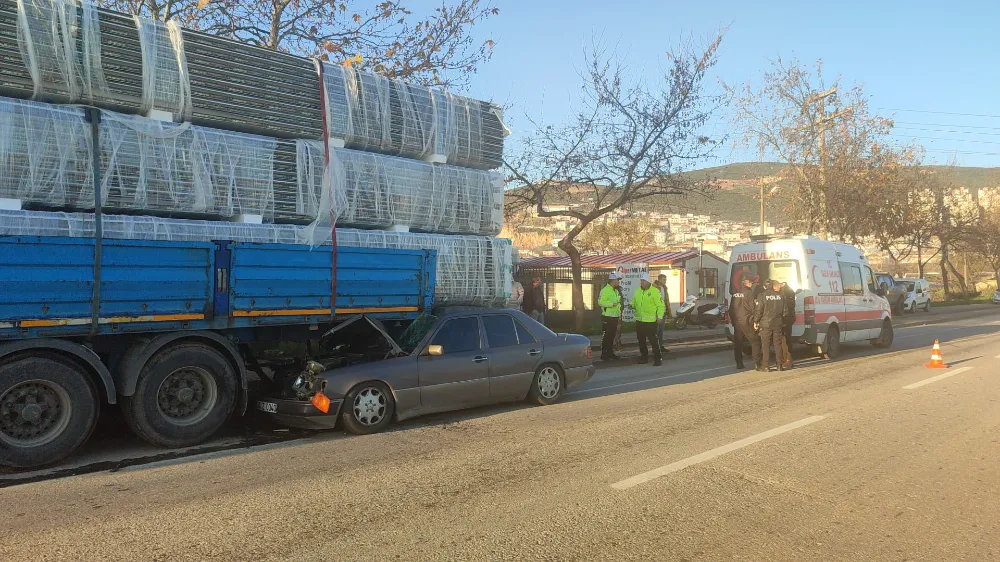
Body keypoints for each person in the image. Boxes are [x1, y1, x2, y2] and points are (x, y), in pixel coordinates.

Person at [753, 279, 787, 372]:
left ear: (764, 287)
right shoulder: (781, 296)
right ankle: (779, 365)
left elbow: (759, 310)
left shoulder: (762, 296)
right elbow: (785, 312)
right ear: (772, 286)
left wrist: (756, 321)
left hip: (765, 324)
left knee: (765, 345)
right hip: (778, 323)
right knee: (778, 344)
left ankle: (766, 366)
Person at [631, 273, 665, 366]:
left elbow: (660, 305)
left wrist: (660, 316)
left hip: (650, 322)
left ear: (648, 282)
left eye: (643, 281)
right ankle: (644, 357)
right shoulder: (637, 291)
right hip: (640, 321)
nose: (642, 282)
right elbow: (634, 301)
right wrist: (631, 305)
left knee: (653, 341)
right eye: (641, 281)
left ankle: (658, 358)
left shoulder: (655, 291)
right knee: (641, 340)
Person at [729, 273, 761, 370]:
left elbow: (731, 309)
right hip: (747, 321)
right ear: (747, 283)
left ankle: (739, 363)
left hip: (737, 322)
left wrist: (734, 321)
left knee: (738, 343)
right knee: (755, 342)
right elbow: (753, 308)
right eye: (751, 283)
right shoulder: (749, 293)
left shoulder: (735, 293)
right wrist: (756, 321)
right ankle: (757, 364)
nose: (752, 284)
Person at [598, 273, 623, 360]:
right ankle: (604, 354)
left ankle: (610, 352)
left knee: (612, 335)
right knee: (607, 336)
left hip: (614, 317)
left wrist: (619, 315)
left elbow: (618, 304)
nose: (618, 282)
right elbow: (600, 302)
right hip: (607, 317)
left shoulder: (615, 291)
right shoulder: (605, 290)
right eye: (617, 280)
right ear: (613, 281)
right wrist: (611, 304)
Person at [653, 274, 672, 354]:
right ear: (659, 280)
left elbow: (666, 300)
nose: (665, 281)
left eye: (665, 279)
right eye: (664, 280)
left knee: (661, 331)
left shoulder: (664, 288)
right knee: (656, 331)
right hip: (656, 313)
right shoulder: (654, 288)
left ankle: (660, 346)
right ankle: (655, 348)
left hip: (663, 312)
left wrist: (668, 312)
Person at [779, 280, 796, 368]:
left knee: (784, 340)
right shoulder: (790, 291)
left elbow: (784, 307)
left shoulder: (783, 293)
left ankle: (787, 359)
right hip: (790, 318)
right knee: (788, 339)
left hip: (785, 319)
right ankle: (789, 359)